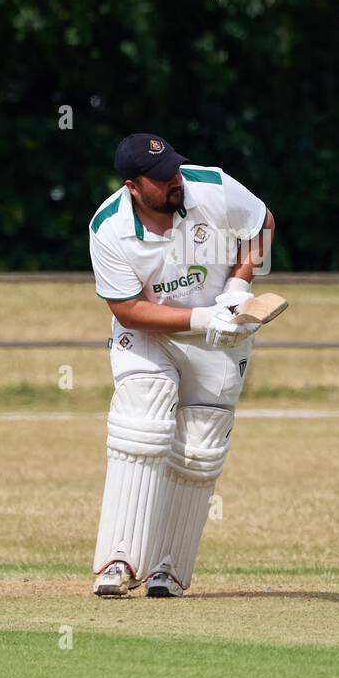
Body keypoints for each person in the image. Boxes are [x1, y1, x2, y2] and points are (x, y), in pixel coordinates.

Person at [87, 132, 276, 598]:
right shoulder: (108, 228)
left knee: (199, 451)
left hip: (219, 336)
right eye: (158, 178)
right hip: (151, 333)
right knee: (142, 424)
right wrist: (200, 316)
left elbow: (262, 223)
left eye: (172, 169)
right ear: (133, 186)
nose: (173, 181)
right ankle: (117, 561)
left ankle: (166, 569)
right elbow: (128, 310)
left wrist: (237, 290)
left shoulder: (209, 185)